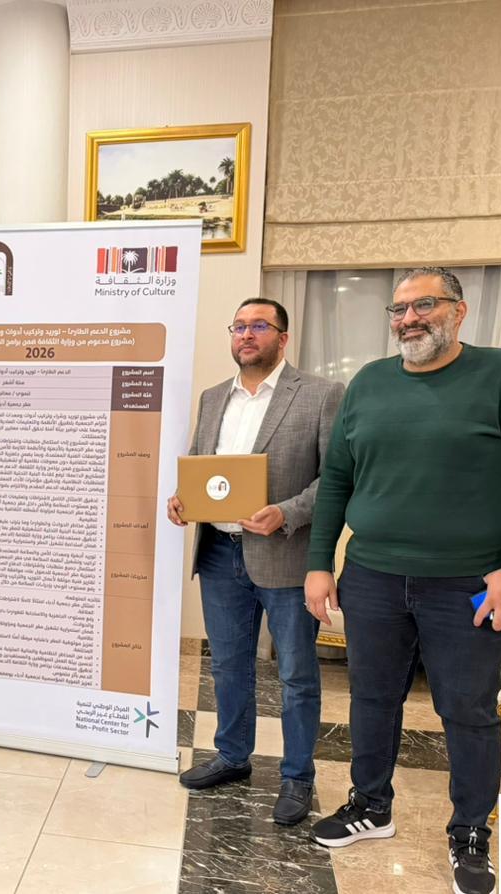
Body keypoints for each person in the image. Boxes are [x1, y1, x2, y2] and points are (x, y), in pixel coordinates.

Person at [304, 267, 501, 894]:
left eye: (424, 305)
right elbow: (337, 478)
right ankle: (371, 805)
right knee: (372, 697)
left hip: (469, 585)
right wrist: (319, 562)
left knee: (468, 710)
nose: (409, 319)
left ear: (459, 310)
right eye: (398, 310)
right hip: (372, 576)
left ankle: (470, 831)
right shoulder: (369, 383)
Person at [168, 297, 344, 825]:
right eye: (239, 326)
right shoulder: (213, 397)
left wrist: (287, 513)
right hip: (220, 554)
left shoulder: (320, 394)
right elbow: (205, 473)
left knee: (295, 675)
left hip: (286, 557)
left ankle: (297, 777)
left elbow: (337, 479)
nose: (246, 334)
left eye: (259, 326)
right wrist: (183, 500)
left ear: (282, 338)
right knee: (227, 666)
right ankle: (232, 755)